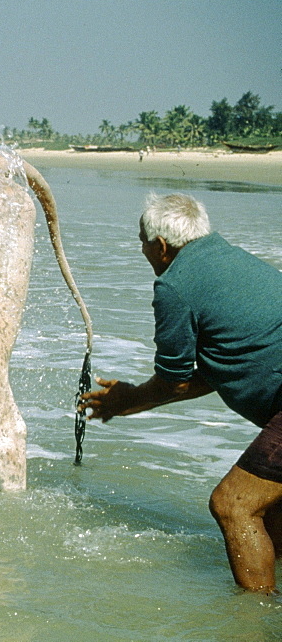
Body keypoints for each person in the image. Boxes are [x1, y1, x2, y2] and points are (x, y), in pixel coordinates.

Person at [80, 192, 282, 593]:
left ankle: (253, 624)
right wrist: (133, 402)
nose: (143, 251)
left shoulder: (175, 285)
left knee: (233, 505)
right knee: (270, 515)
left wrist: (126, 400)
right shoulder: (232, 257)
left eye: (141, 241)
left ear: (161, 247)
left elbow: (173, 379)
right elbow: (217, 368)